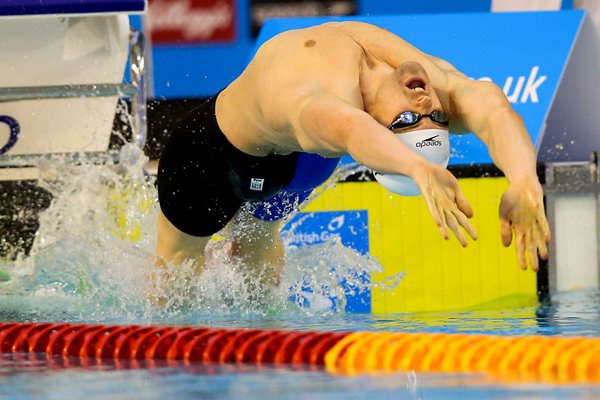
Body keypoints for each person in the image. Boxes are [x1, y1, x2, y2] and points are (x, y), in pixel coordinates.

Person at [155, 21, 551, 291]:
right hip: (244, 156)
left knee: (212, 272)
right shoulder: (432, 83)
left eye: (411, 119)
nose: (424, 100)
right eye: (436, 117)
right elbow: (493, 110)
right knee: (207, 266)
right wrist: (523, 180)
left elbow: (350, 129)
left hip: (253, 160)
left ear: (377, 123)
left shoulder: (322, 104)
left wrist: (415, 166)